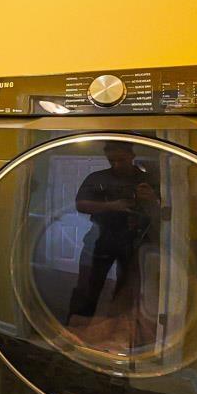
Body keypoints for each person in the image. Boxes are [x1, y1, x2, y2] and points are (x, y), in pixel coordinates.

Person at [68, 141, 162, 329]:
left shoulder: (148, 179)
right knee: (88, 285)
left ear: (132, 155)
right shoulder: (97, 178)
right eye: (112, 160)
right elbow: (80, 205)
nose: (117, 164)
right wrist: (111, 206)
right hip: (100, 237)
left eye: (121, 159)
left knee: (127, 289)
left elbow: (166, 211)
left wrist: (152, 198)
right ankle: (75, 328)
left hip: (135, 240)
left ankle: (116, 330)